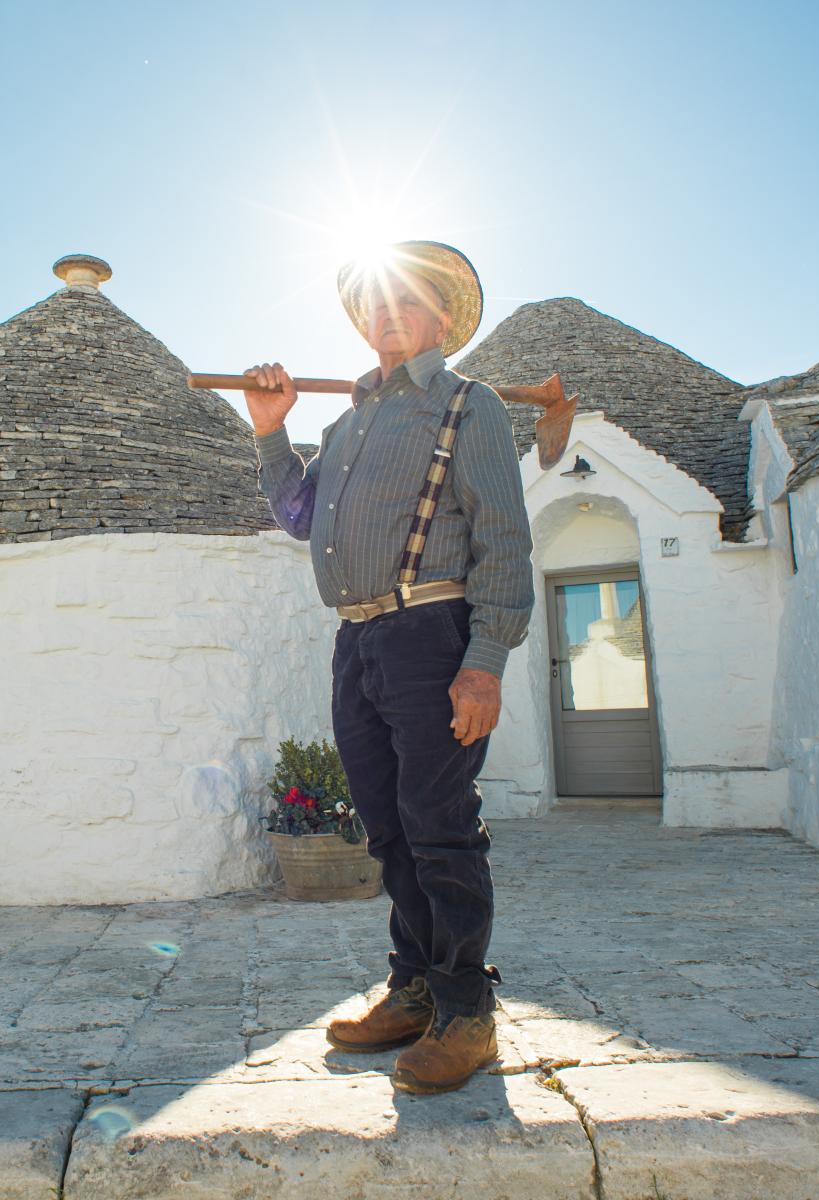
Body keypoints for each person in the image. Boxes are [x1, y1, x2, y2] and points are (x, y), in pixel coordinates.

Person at [245, 241, 534, 1094]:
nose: (389, 316)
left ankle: (467, 1013)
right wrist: (270, 432)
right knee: (388, 826)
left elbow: (504, 539)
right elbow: (300, 515)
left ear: (441, 319)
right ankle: (415, 990)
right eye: (377, 305)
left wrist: (484, 663)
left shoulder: (468, 406)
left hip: (433, 632)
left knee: (439, 822)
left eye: (407, 303)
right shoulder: (347, 424)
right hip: (358, 639)